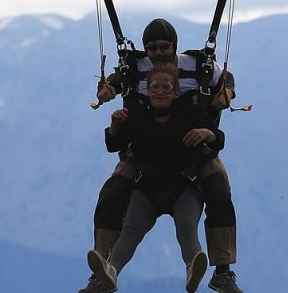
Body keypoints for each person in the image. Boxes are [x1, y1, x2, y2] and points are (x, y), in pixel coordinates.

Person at [79, 18, 243, 293]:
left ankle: (223, 271)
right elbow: (116, 81)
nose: (157, 53)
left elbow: (226, 78)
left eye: (163, 47)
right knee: (112, 195)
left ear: (174, 46)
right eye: (152, 48)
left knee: (218, 189)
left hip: (194, 153)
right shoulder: (134, 68)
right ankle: (103, 270)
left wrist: (226, 94)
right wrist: (106, 91)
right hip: (144, 150)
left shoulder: (197, 65)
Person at [87, 63, 220, 293]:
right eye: (154, 87)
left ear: (175, 91)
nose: (160, 92)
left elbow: (218, 139)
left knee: (187, 227)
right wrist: (115, 125)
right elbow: (113, 144)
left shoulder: (190, 113)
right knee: (131, 230)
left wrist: (207, 133)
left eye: (166, 87)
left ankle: (193, 267)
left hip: (184, 187)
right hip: (147, 188)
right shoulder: (137, 116)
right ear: (147, 91)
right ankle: (111, 271)